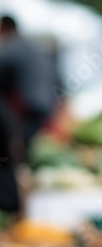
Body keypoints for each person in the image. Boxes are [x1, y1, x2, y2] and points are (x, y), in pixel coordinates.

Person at [0, 15, 60, 213]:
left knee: (11, 157)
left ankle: (12, 208)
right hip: (44, 108)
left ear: (5, 27)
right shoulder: (33, 47)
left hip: (28, 110)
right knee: (20, 157)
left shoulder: (11, 47)